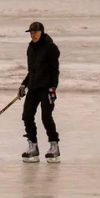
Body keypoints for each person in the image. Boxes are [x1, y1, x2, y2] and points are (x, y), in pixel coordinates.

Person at [19, 21, 61, 163]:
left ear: (42, 32)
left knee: (46, 117)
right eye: (31, 33)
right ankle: (33, 146)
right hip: (33, 87)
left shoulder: (50, 48)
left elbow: (55, 71)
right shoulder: (30, 48)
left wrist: (53, 89)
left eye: (36, 32)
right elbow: (31, 71)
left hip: (46, 88)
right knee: (27, 115)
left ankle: (54, 146)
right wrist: (24, 85)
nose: (33, 35)